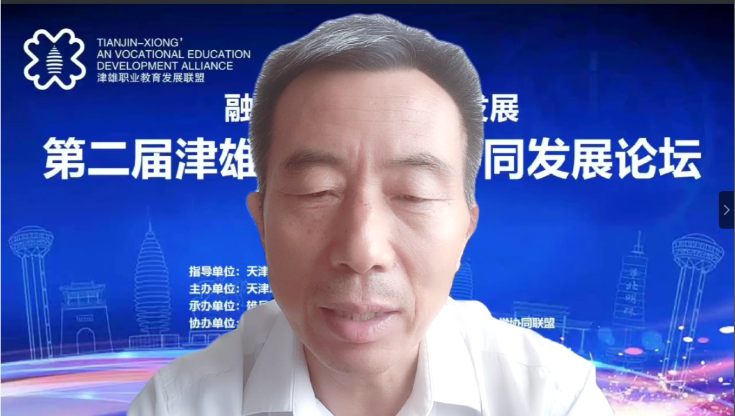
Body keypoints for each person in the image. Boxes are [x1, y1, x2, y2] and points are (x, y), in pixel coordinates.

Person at [129, 14, 615, 416]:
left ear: (466, 229)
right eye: (318, 191)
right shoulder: (180, 405)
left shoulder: (551, 398)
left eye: (413, 194)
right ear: (262, 221)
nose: (362, 250)